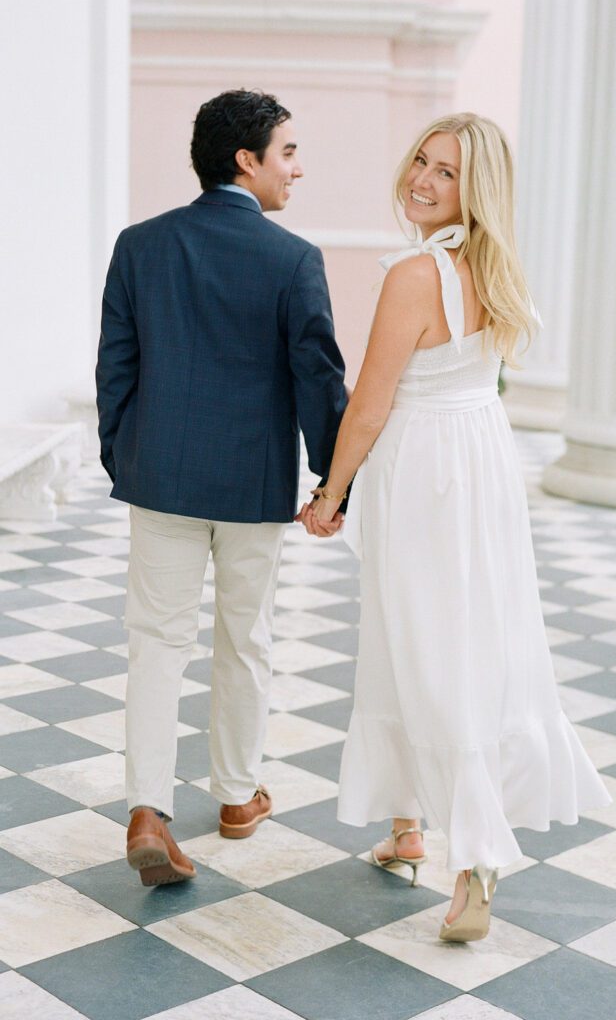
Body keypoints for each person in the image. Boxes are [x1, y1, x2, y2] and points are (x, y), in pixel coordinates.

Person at [298, 112, 612, 942]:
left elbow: (370, 405)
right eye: (423, 163)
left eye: (446, 174)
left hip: (425, 471)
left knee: (421, 644)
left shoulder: (412, 273)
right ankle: (407, 829)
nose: (423, 181)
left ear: (475, 191)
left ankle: (474, 858)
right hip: (480, 464)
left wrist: (331, 494)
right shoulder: (492, 268)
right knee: (464, 635)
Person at [96, 89, 348, 886]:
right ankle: (237, 798)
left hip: (160, 474)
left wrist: (123, 455)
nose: (297, 170)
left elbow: (116, 370)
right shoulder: (292, 259)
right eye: (289, 153)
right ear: (248, 159)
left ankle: (146, 808)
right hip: (252, 485)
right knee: (247, 639)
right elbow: (318, 378)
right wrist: (330, 484)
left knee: (156, 641)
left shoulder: (140, 245)